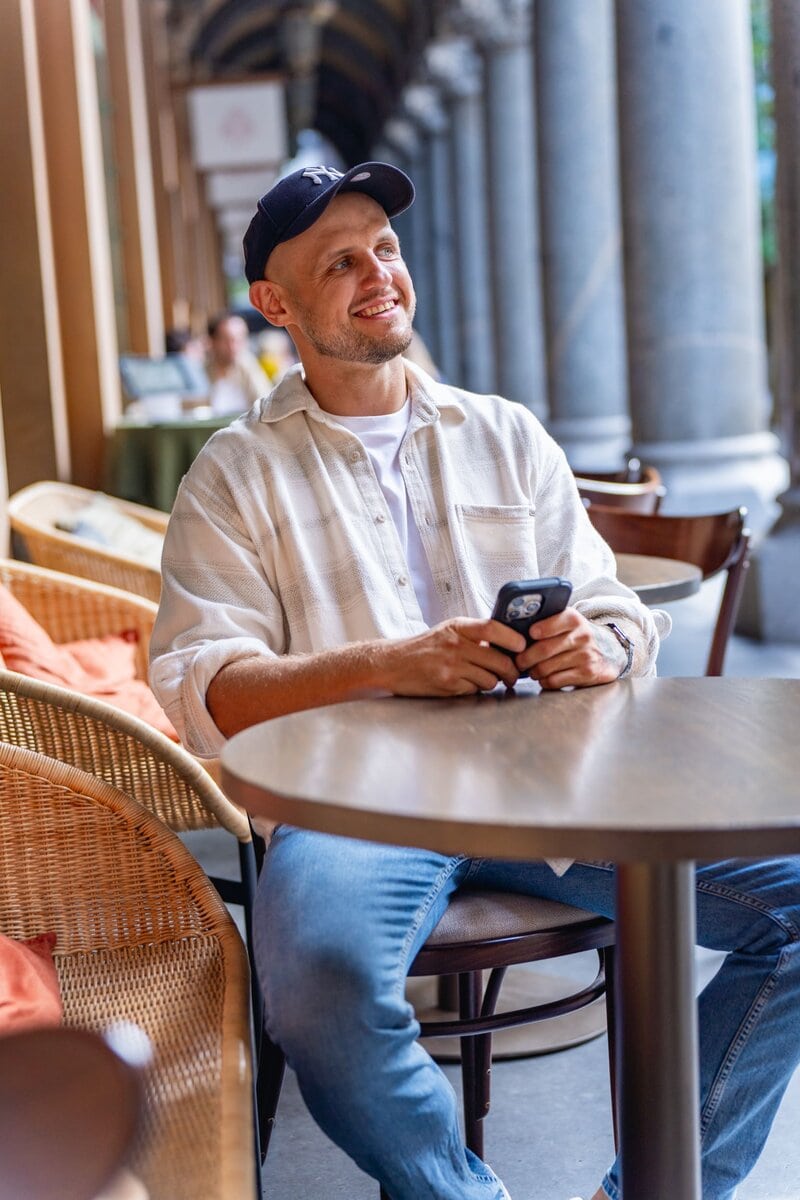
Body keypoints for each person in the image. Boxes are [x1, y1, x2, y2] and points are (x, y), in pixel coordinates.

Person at [150, 162, 800, 1200]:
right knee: (318, 989)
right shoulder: (230, 474)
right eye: (340, 262)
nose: (380, 274)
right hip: (355, 804)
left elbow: (614, 604)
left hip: (548, 786)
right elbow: (202, 689)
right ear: (273, 304)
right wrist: (387, 666)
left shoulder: (505, 433)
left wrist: (598, 645)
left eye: (386, 249)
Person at [205, 310, 269, 414]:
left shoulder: (247, 365)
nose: (233, 346)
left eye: (239, 339)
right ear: (212, 341)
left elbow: (264, 403)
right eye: (226, 340)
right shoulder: (201, 369)